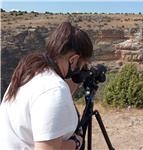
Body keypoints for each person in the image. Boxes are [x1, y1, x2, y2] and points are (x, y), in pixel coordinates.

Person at [0, 21, 93, 150]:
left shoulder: (29, 73)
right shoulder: (54, 90)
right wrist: (76, 142)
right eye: (82, 64)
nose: (82, 69)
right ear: (73, 60)